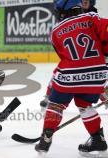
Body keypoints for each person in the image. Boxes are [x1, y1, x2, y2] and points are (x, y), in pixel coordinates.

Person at [35, 0, 108, 156]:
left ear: (61, 12)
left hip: (70, 76)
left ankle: (45, 139)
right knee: (84, 104)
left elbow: (64, 56)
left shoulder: (55, 31)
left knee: (55, 104)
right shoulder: (91, 17)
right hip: (97, 74)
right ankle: (98, 139)